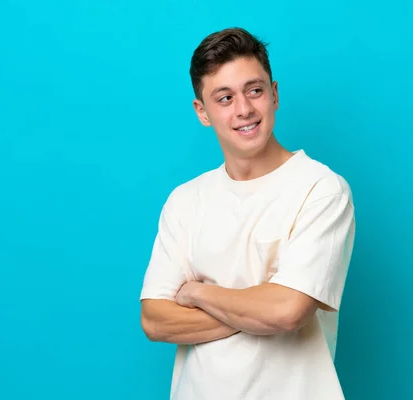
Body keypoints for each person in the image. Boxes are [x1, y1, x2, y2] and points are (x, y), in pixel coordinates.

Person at [139, 27, 355, 400]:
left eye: (254, 90)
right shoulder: (185, 200)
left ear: (274, 94)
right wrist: (256, 308)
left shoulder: (321, 190)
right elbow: (155, 320)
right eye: (224, 98)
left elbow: (288, 311)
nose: (244, 110)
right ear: (202, 112)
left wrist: (197, 293)